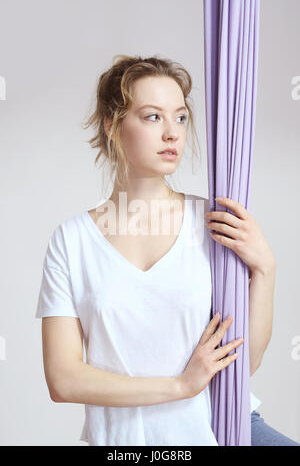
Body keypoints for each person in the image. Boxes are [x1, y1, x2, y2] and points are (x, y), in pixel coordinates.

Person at [35, 55, 299, 446]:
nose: (173, 133)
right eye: (152, 117)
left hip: (227, 428)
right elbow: (63, 379)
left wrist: (265, 269)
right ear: (111, 124)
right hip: (130, 444)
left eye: (179, 117)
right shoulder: (71, 241)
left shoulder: (214, 220)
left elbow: (244, 364)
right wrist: (180, 385)